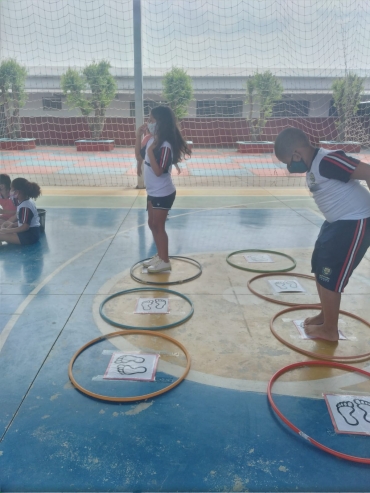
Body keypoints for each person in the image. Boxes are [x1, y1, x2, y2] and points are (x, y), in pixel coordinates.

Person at [274, 127, 370, 341]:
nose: (289, 167)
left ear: (297, 153)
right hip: (335, 224)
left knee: (330, 274)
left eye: (288, 161)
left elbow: (368, 172)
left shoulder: (328, 160)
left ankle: (330, 330)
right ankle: (325, 316)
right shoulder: (313, 165)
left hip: (354, 223)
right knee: (320, 267)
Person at [135, 105, 191, 273]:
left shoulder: (165, 145)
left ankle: (165, 261)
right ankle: (160, 256)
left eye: (151, 120)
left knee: (159, 226)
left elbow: (159, 172)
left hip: (163, 192)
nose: (148, 122)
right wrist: (139, 136)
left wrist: (151, 152)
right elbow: (139, 156)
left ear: (161, 123)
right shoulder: (151, 139)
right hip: (153, 192)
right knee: (152, 224)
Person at [0, 177, 41, 246]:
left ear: (17, 192)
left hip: (28, 237)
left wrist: (7, 231)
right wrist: (12, 225)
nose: (10, 192)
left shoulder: (25, 207)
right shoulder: (23, 201)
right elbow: (20, 219)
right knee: (7, 224)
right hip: (27, 233)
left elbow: (25, 227)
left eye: (11, 189)